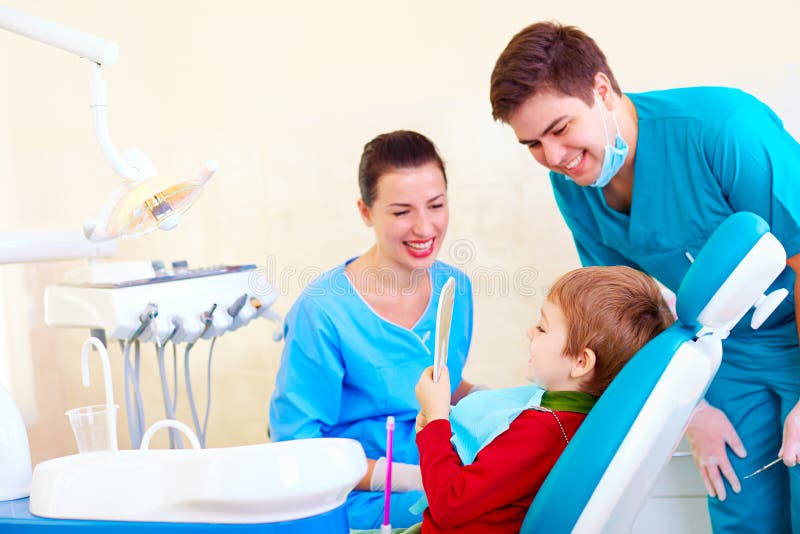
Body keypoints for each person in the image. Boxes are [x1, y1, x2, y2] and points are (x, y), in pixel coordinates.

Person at [489, 21, 800, 532]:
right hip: (726, 353)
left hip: (794, 329)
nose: (554, 158)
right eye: (533, 144)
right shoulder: (576, 188)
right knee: (741, 509)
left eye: (561, 128)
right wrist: (692, 410)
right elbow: (624, 312)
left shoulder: (724, 129)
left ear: (602, 89)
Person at [354, 266, 673, 533]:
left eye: (543, 327)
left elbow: (450, 504)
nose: (529, 332)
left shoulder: (542, 432)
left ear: (580, 362)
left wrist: (437, 420)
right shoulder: (574, 422)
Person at [269, 130, 476, 529]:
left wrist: (505, 404)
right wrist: (407, 478)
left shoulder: (455, 289)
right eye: (401, 212)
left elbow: (439, 383)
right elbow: (297, 446)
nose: (424, 227)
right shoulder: (324, 311)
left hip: (443, 477)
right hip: (361, 503)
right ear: (365, 212)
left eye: (436, 205)